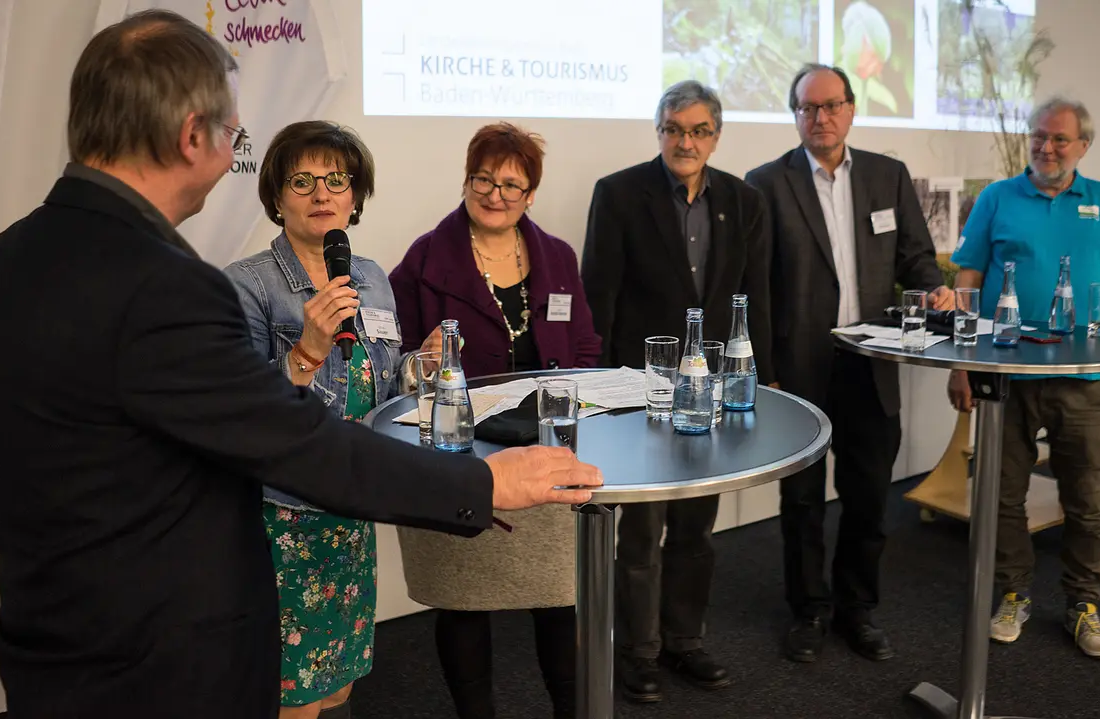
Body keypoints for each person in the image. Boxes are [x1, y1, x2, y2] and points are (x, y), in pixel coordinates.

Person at [0, 12, 600, 719]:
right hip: (155, 664)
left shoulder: (3, 261)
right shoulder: (169, 286)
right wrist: (483, 482)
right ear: (191, 136)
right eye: (235, 133)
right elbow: (297, 443)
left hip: (54, 649)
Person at [389, 122, 601, 719]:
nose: (496, 193)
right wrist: (417, 360)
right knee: (463, 602)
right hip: (461, 458)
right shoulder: (426, 259)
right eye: (484, 178)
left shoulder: (556, 255)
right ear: (467, 179)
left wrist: (571, 405)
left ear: (531, 194)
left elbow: (583, 347)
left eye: (513, 183)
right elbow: (392, 358)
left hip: (546, 454)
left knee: (561, 601)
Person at [744, 63, 954, 665]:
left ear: (852, 109)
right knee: (803, 501)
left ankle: (857, 608)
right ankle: (809, 609)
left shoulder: (887, 177)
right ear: (795, 115)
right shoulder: (764, 183)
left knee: (868, 495)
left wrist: (932, 290)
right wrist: (765, 370)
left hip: (871, 363)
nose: (821, 118)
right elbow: (754, 287)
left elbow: (915, 259)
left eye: (831, 105)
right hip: (799, 369)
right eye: (808, 108)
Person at [580, 80, 772, 703]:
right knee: (640, 531)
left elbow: (755, 295)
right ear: (657, 130)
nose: (683, 141)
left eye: (697, 130)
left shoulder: (743, 200)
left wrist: (760, 377)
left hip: (712, 391)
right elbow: (597, 297)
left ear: (716, 136)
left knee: (696, 524)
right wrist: (599, 389)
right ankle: (637, 652)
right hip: (641, 389)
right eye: (672, 128)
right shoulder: (618, 193)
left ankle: (684, 640)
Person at [947, 96, 1100, 659]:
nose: (1046, 147)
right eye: (1039, 136)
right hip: (1004, 374)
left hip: (1084, 378)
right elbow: (968, 278)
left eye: (1060, 139)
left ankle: (1084, 603)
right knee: (1001, 494)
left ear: (1084, 146)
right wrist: (962, 362)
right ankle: (1014, 592)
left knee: (1087, 497)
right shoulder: (997, 197)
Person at [224, 121, 394, 719]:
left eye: (336, 180)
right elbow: (238, 414)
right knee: (287, 693)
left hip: (350, 505)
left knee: (337, 684)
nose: (322, 194)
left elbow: (380, 384)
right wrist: (307, 351)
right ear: (276, 197)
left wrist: (418, 368)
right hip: (283, 515)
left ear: (355, 195)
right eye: (302, 181)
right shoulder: (247, 286)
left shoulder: (371, 277)